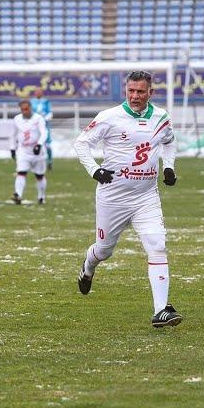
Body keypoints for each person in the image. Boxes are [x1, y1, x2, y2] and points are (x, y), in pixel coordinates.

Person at [73, 70, 182, 328]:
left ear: (150, 93)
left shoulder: (160, 117)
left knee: (157, 245)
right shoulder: (109, 117)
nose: (135, 96)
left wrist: (169, 167)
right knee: (103, 250)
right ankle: (88, 267)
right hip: (113, 197)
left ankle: (160, 311)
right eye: (131, 91)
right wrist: (95, 170)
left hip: (146, 196)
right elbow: (81, 143)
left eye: (140, 92)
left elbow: (169, 142)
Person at [10, 99, 48, 205]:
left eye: (26, 109)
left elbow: (44, 132)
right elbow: (13, 135)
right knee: (21, 172)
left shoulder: (38, 118)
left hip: (37, 151)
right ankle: (18, 195)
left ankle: (41, 197)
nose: (24, 112)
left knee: (39, 175)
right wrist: (12, 148)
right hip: (23, 151)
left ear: (30, 108)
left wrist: (39, 144)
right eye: (22, 110)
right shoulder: (17, 119)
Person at [30, 87, 54, 171]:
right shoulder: (31, 102)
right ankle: (33, 162)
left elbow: (50, 113)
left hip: (45, 126)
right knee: (33, 144)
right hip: (34, 127)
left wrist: (44, 119)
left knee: (47, 145)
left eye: (39, 92)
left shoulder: (46, 101)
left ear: (42, 93)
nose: (38, 93)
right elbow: (30, 113)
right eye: (36, 91)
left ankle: (49, 162)